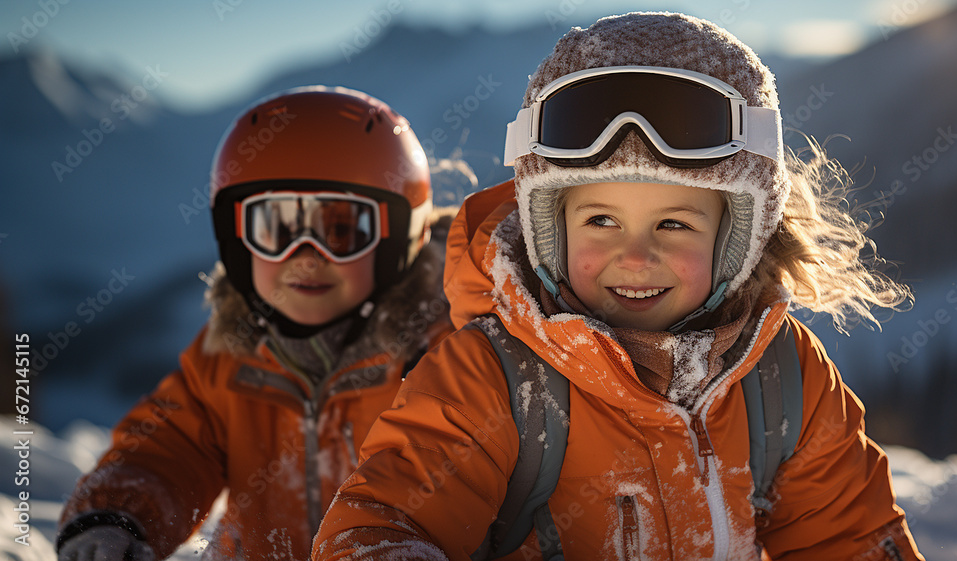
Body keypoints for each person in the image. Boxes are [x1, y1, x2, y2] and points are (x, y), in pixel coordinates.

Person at [312, 12, 925, 561]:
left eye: (675, 223)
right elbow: (383, 522)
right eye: (600, 220)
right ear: (547, 228)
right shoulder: (494, 380)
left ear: (737, 237)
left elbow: (849, 537)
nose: (635, 256)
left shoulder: (782, 377)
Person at [55, 86, 454, 560]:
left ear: (396, 239)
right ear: (237, 240)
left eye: (342, 230)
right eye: (276, 230)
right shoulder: (229, 356)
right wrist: (117, 517)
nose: (305, 258)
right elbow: (170, 447)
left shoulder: (446, 357)